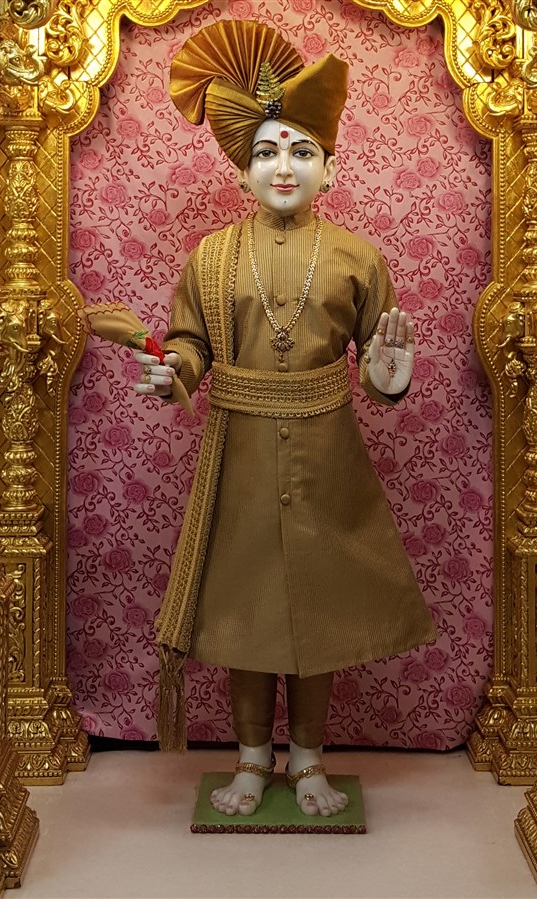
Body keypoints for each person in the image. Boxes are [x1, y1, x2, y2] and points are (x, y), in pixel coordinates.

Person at [133, 19, 437, 818]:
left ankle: (307, 761)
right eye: (267, 151)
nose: (283, 166)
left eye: (303, 151)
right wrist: (174, 372)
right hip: (238, 453)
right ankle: (250, 761)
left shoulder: (357, 258)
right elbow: (191, 341)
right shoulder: (210, 257)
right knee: (248, 612)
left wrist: (389, 377)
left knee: (317, 611)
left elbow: (380, 359)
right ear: (242, 172)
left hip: (327, 456)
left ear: (330, 169)